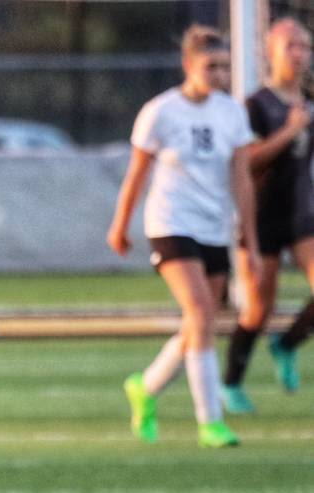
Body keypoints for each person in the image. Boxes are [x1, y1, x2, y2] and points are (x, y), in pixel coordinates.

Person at [106, 25, 262, 448]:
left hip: (214, 225)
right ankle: (210, 421)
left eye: (224, 67)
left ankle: (146, 387)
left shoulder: (231, 113)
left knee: (202, 322)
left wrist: (250, 236)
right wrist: (120, 225)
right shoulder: (161, 111)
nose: (219, 74)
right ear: (188, 65)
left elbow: (242, 178)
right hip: (171, 222)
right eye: (211, 66)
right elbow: (137, 173)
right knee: (198, 311)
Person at [222, 17, 314, 412]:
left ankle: (288, 342)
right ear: (270, 52)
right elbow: (248, 160)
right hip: (260, 216)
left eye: (305, 46)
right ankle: (232, 383)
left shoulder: (308, 103)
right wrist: (289, 132)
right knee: (258, 307)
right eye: (291, 45)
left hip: (302, 211)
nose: (299, 54)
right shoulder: (257, 105)